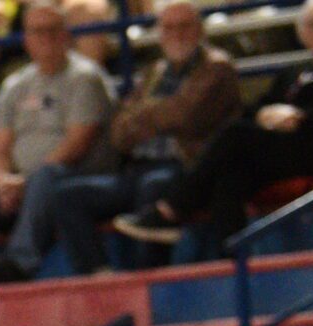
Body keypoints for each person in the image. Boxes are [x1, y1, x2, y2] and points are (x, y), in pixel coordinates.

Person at [117, 0, 313, 254]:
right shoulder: (295, 71)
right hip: (284, 152)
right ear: (302, 31)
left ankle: (171, 209)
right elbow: (257, 107)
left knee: (235, 133)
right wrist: (265, 114)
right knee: (230, 175)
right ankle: (231, 258)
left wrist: (299, 116)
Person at [0, 4, 118, 287]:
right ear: (25, 39)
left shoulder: (85, 77)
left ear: (66, 35)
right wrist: (2, 180)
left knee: (48, 175)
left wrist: (26, 182)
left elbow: (77, 144)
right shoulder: (15, 85)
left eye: (52, 31)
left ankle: (19, 261)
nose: (45, 38)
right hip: (20, 183)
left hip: (71, 177)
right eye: (37, 32)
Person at [50, 0, 239, 275]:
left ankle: (148, 275)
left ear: (200, 30)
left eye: (184, 26)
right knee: (68, 195)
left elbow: (185, 115)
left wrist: (145, 115)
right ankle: (99, 275)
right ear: (159, 33)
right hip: (136, 168)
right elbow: (118, 131)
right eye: (169, 28)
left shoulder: (217, 67)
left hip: (187, 167)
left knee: (153, 186)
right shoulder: (154, 72)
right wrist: (158, 114)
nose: (177, 34)